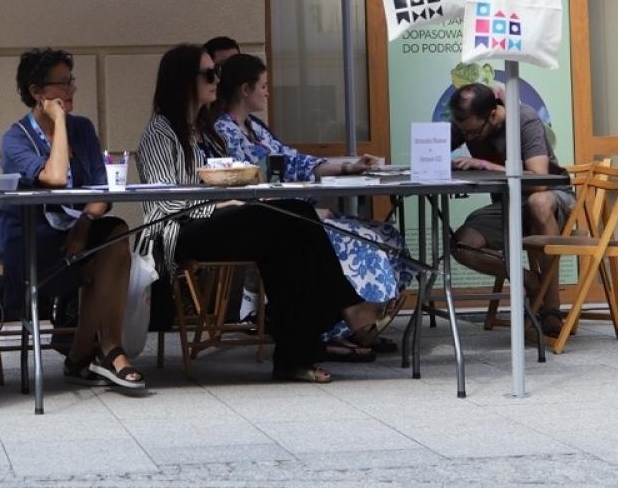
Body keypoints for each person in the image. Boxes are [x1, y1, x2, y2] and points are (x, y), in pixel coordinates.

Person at [136, 43, 392, 383]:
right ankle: (345, 308)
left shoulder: (204, 130)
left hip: (216, 220)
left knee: (288, 238)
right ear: (185, 81)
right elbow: (162, 202)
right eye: (209, 74)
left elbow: (227, 176)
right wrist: (219, 203)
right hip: (178, 232)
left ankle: (295, 357)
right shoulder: (161, 131)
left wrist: (232, 195)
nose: (217, 80)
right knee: (292, 220)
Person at [209, 54, 421, 355]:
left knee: (388, 235)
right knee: (364, 240)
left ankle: (366, 322)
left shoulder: (254, 127)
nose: (268, 92)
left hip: (294, 210)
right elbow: (255, 182)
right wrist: (304, 205)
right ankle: (339, 329)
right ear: (245, 89)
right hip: (277, 216)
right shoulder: (225, 131)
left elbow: (295, 160)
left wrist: (349, 166)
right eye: (264, 86)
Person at [0, 48, 145, 391]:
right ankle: (83, 357)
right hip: (34, 243)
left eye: (71, 81)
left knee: (115, 236)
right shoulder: (15, 138)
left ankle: (108, 348)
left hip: (78, 233)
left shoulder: (85, 129)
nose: (71, 90)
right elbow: (54, 177)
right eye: (61, 84)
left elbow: (100, 190)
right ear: (37, 93)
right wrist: (60, 122)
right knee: (100, 260)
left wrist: (83, 226)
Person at [445, 81, 577, 337]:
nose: (468, 138)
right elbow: (434, 151)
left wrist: (488, 166)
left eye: (473, 133)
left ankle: (551, 308)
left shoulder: (524, 119)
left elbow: (539, 181)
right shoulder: (468, 124)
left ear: (493, 113)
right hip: (510, 205)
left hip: (554, 198)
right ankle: (530, 280)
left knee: (538, 204)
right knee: (462, 245)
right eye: (464, 133)